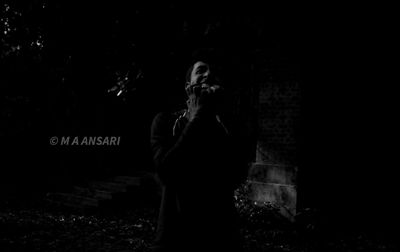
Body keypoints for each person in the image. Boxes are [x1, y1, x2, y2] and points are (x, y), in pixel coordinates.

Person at [150, 59, 248, 252]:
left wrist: (212, 117)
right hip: (176, 236)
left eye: (213, 73)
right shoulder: (165, 122)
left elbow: (237, 175)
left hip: (220, 237)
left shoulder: (227, 126)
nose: (208, 75)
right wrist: (197, 117)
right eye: (201, 70)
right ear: (188, 86)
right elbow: (165, 171)